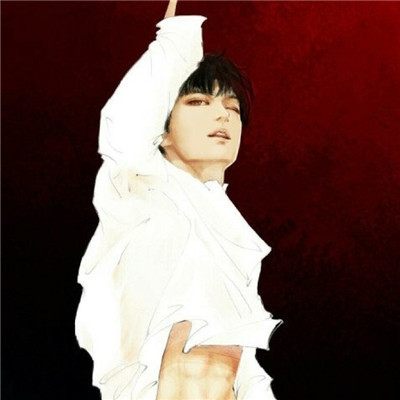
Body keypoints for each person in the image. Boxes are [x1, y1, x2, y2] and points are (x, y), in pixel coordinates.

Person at [75, 1, 281, 399]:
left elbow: (246, 369)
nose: (222, 115)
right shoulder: (139, 189)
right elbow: (128, 125)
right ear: (163, 130)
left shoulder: (233, 238)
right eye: (199, 102)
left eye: (232, 107)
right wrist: (175, 40)